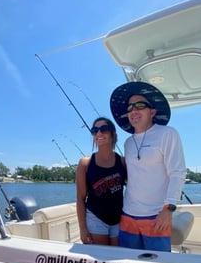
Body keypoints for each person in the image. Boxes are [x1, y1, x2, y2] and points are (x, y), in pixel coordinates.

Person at [110, 81, 186, 252]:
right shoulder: (128, 142)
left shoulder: (167, 133)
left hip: (156, 216)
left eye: (140, 106)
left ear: (152, 112)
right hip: (128, 215)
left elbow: (178, 172)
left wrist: (168, 210)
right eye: (130, 108)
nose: (134, 111)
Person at [76, 117, 127, 246]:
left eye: (103, 129)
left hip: (118, 219)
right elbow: (80, 198)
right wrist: (83, 229)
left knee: (117, 259)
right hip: (95, 218)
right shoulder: (85, 163)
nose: (99, 133)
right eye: (95, 130)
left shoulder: (122, 162)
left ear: (113, 134)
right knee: (101, 260)